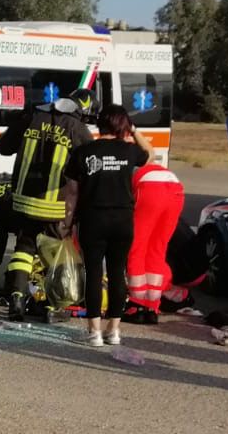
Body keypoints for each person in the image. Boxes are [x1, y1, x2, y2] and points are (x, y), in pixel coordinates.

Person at [0, 89, 96, 321]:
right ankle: (55, 306)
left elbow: (3, 146)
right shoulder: (78, 129)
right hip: (55, 206)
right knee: (56, 252)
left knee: (24, 248)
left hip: (23, 201)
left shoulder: (32, 116)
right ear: (84, 110)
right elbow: (92, 167)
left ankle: (17, 300)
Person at [61, 105, 154, 347]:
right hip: (122, 219)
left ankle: (94, 332)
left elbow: (72, 190)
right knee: (116, 274)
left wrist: (68, 221)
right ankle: (114, 330)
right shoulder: (130, 150)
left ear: (100, 124)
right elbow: (150, 154)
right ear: (122, 125)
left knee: (93, 273)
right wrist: (133, 130)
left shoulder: (84, 151)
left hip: (93, 218)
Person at [123, 162, 185, 324]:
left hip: (149, 187)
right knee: (158, 250)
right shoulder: (133, 162)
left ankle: (136, 306)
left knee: (137, 249)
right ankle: (152, 308)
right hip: (176, 188)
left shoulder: (116, 172)